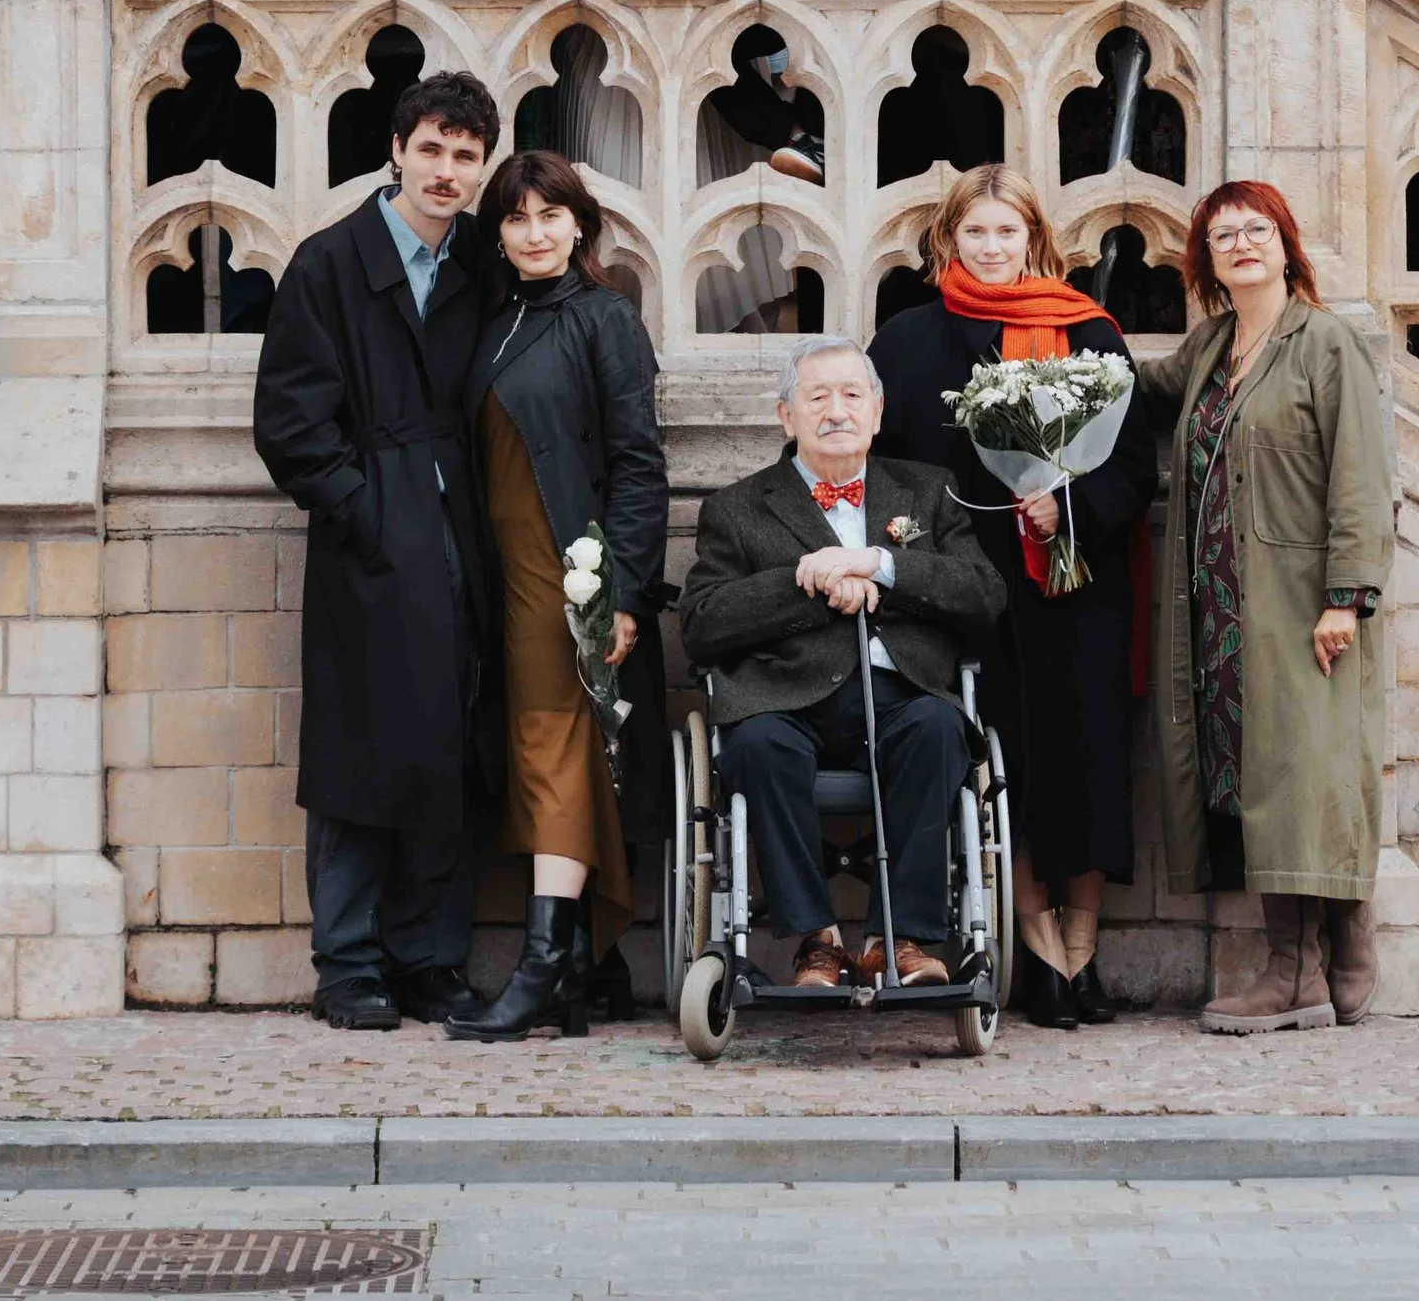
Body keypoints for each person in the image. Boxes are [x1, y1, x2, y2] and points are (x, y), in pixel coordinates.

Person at [868, 169, 1158, 1029]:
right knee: (1010, 765)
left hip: (1076, 582)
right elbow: (885, 468)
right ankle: (1035, 953)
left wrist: (1065, 504)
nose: (991, 249)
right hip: (968, 591)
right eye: (975, 233)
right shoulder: (906, 341)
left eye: (1007, 233)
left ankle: (1084, 953)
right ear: (945, 241)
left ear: (1035, 240)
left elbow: (1134, 463)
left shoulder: (1088, 332)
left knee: (1090, 764)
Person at [251, 69, 504, 1031]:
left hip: (466, 532)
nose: (446, 172)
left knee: (451, 743)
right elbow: (288, 422)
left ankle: (430, 957)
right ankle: (349, 963)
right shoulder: (330, 263)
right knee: (361, 749)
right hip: (373, 535)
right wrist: (365, 510)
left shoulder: (483, 263)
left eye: (465, 157)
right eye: (431, 150)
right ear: (397, 150)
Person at [1136, 180, 1393, 1033]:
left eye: (1257, 230)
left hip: (1299, 604)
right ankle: (1307, 971)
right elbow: (1136, 390)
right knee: (1260, 783)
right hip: (1220, 605)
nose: (1241, 244)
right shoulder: (1211, 344)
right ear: (1204, 260)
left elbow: (1362, 477)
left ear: (1285, 244)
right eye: (1222, 236)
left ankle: (1310, 967)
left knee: (1309, 776)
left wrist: (1346, 599)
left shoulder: (1328, 343)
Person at [679, 339, 1003, 992]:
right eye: (817, 396)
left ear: (877, 413)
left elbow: (982, 594)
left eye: (852, 395)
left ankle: (901, 939)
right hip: (785, 697)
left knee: (940, 731)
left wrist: (879, 565)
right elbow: (701, 623)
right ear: (786, 416)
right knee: (758, 746)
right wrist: (812, 584)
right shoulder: (737, 508)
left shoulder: (927, 491)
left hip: (901, 692)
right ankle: (816, 942)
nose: (836, 411)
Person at [448, 150, 668, 1041]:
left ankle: (542, 968)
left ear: (580, 223)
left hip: (565, 572)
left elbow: (639, 463)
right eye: (515, 218)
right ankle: (584, 960)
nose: (534, 234)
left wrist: (623, 593)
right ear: (496, 234)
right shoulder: (497, 320)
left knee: (553, 750)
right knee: (543, 751)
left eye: (551, 215)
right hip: (502, 573)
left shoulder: (604, 318)